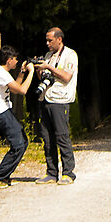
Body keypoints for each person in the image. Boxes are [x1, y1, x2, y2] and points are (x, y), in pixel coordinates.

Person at [35, 26, 79, 183]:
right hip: (46, 98)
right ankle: (51, 173)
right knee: (47, 138)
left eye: (50, 40)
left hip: (60, 100)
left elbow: (66, 77)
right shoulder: (48, 55)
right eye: (46, 40)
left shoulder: (70, 54)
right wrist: (38, 68)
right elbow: (43, 77)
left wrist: (48, 67)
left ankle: (68, 173)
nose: (47, 43)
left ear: (59, 39)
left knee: (62, 136)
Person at [0, 47, 29, 187]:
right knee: (18, 145)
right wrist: (32, 72)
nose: (17, 61)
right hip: (1, 112)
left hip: (5, 111)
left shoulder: (1, 72)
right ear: (9, 60)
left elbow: (15, 87)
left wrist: (22, 72)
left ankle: (4, 176)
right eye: (15, 59)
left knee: (23, 142)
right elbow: (22, 90)